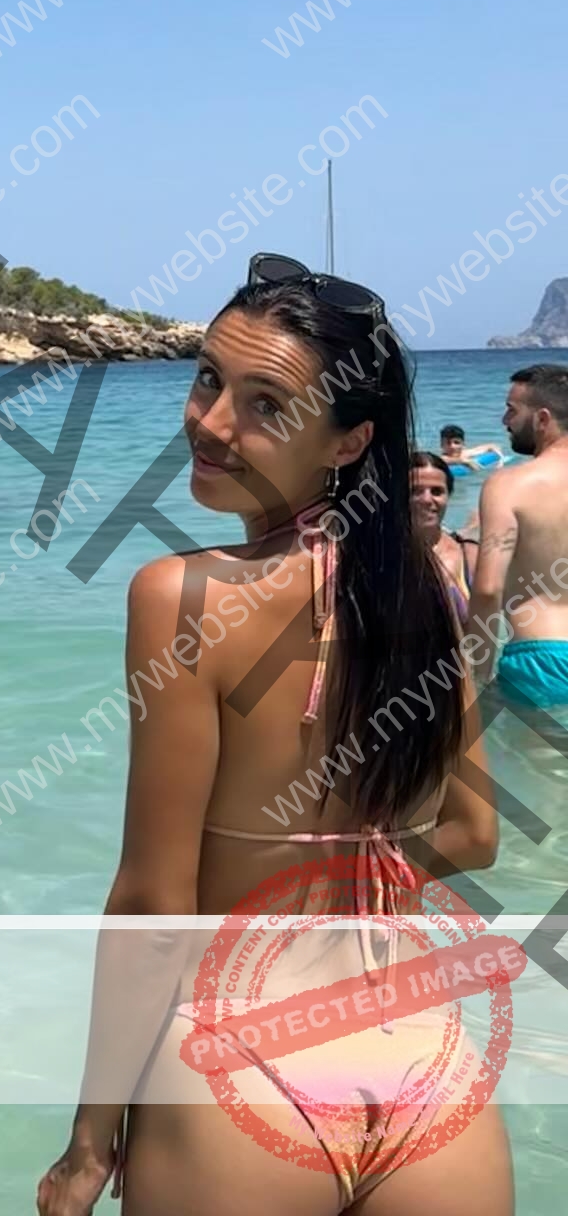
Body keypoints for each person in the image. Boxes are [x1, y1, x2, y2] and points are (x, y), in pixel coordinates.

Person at [38, 253, 502, 1216]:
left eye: (265, 404)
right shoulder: (428, 589)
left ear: (348, 442)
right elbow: (473, 835)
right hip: (428, 1072)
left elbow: (155, 899)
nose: (210, 423)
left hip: (240, 1063)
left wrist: (91, 1142)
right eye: (209, 378)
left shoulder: (180, 597)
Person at [466, 363, 568, 708]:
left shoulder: (509, 484)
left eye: (511, 410)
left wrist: (478, 672)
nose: (503, 421)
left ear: (542, 419)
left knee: (541, 764)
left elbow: (487, 588)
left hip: (543, 660)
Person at [410, 450, 476, 621]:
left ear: (449, 496)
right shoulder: (379, 558)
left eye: (437, 492)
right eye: (415, 491)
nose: (426, 499)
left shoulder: (469, 557)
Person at [439, 424, 504, 474]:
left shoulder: (467, 453)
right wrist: (466, 462)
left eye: (456, 442)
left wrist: (501, 459)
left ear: (463, 445)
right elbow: (443, 460)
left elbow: (492, 446)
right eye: (448, 443)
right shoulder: (443, 458)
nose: (452, 446)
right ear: (442, 445)